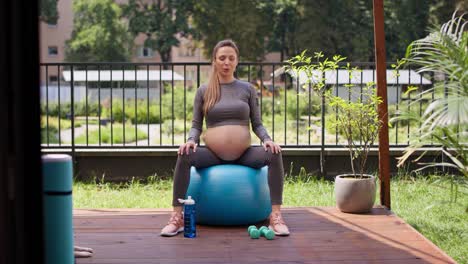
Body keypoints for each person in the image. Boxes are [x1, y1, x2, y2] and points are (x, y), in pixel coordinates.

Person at [160, 39, 289, 237]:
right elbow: (196, 125)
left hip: (244, 154)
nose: (226, 62)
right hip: (213, 154)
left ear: (237, 61)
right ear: (214, 61)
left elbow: (257, 123)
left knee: (274, 154)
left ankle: (276, 216)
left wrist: (267, 139)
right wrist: (191, 141)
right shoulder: (204, 90)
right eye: (222, 58)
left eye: (231, 58)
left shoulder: (247, 89)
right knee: (184, 155)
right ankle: (177, 217)